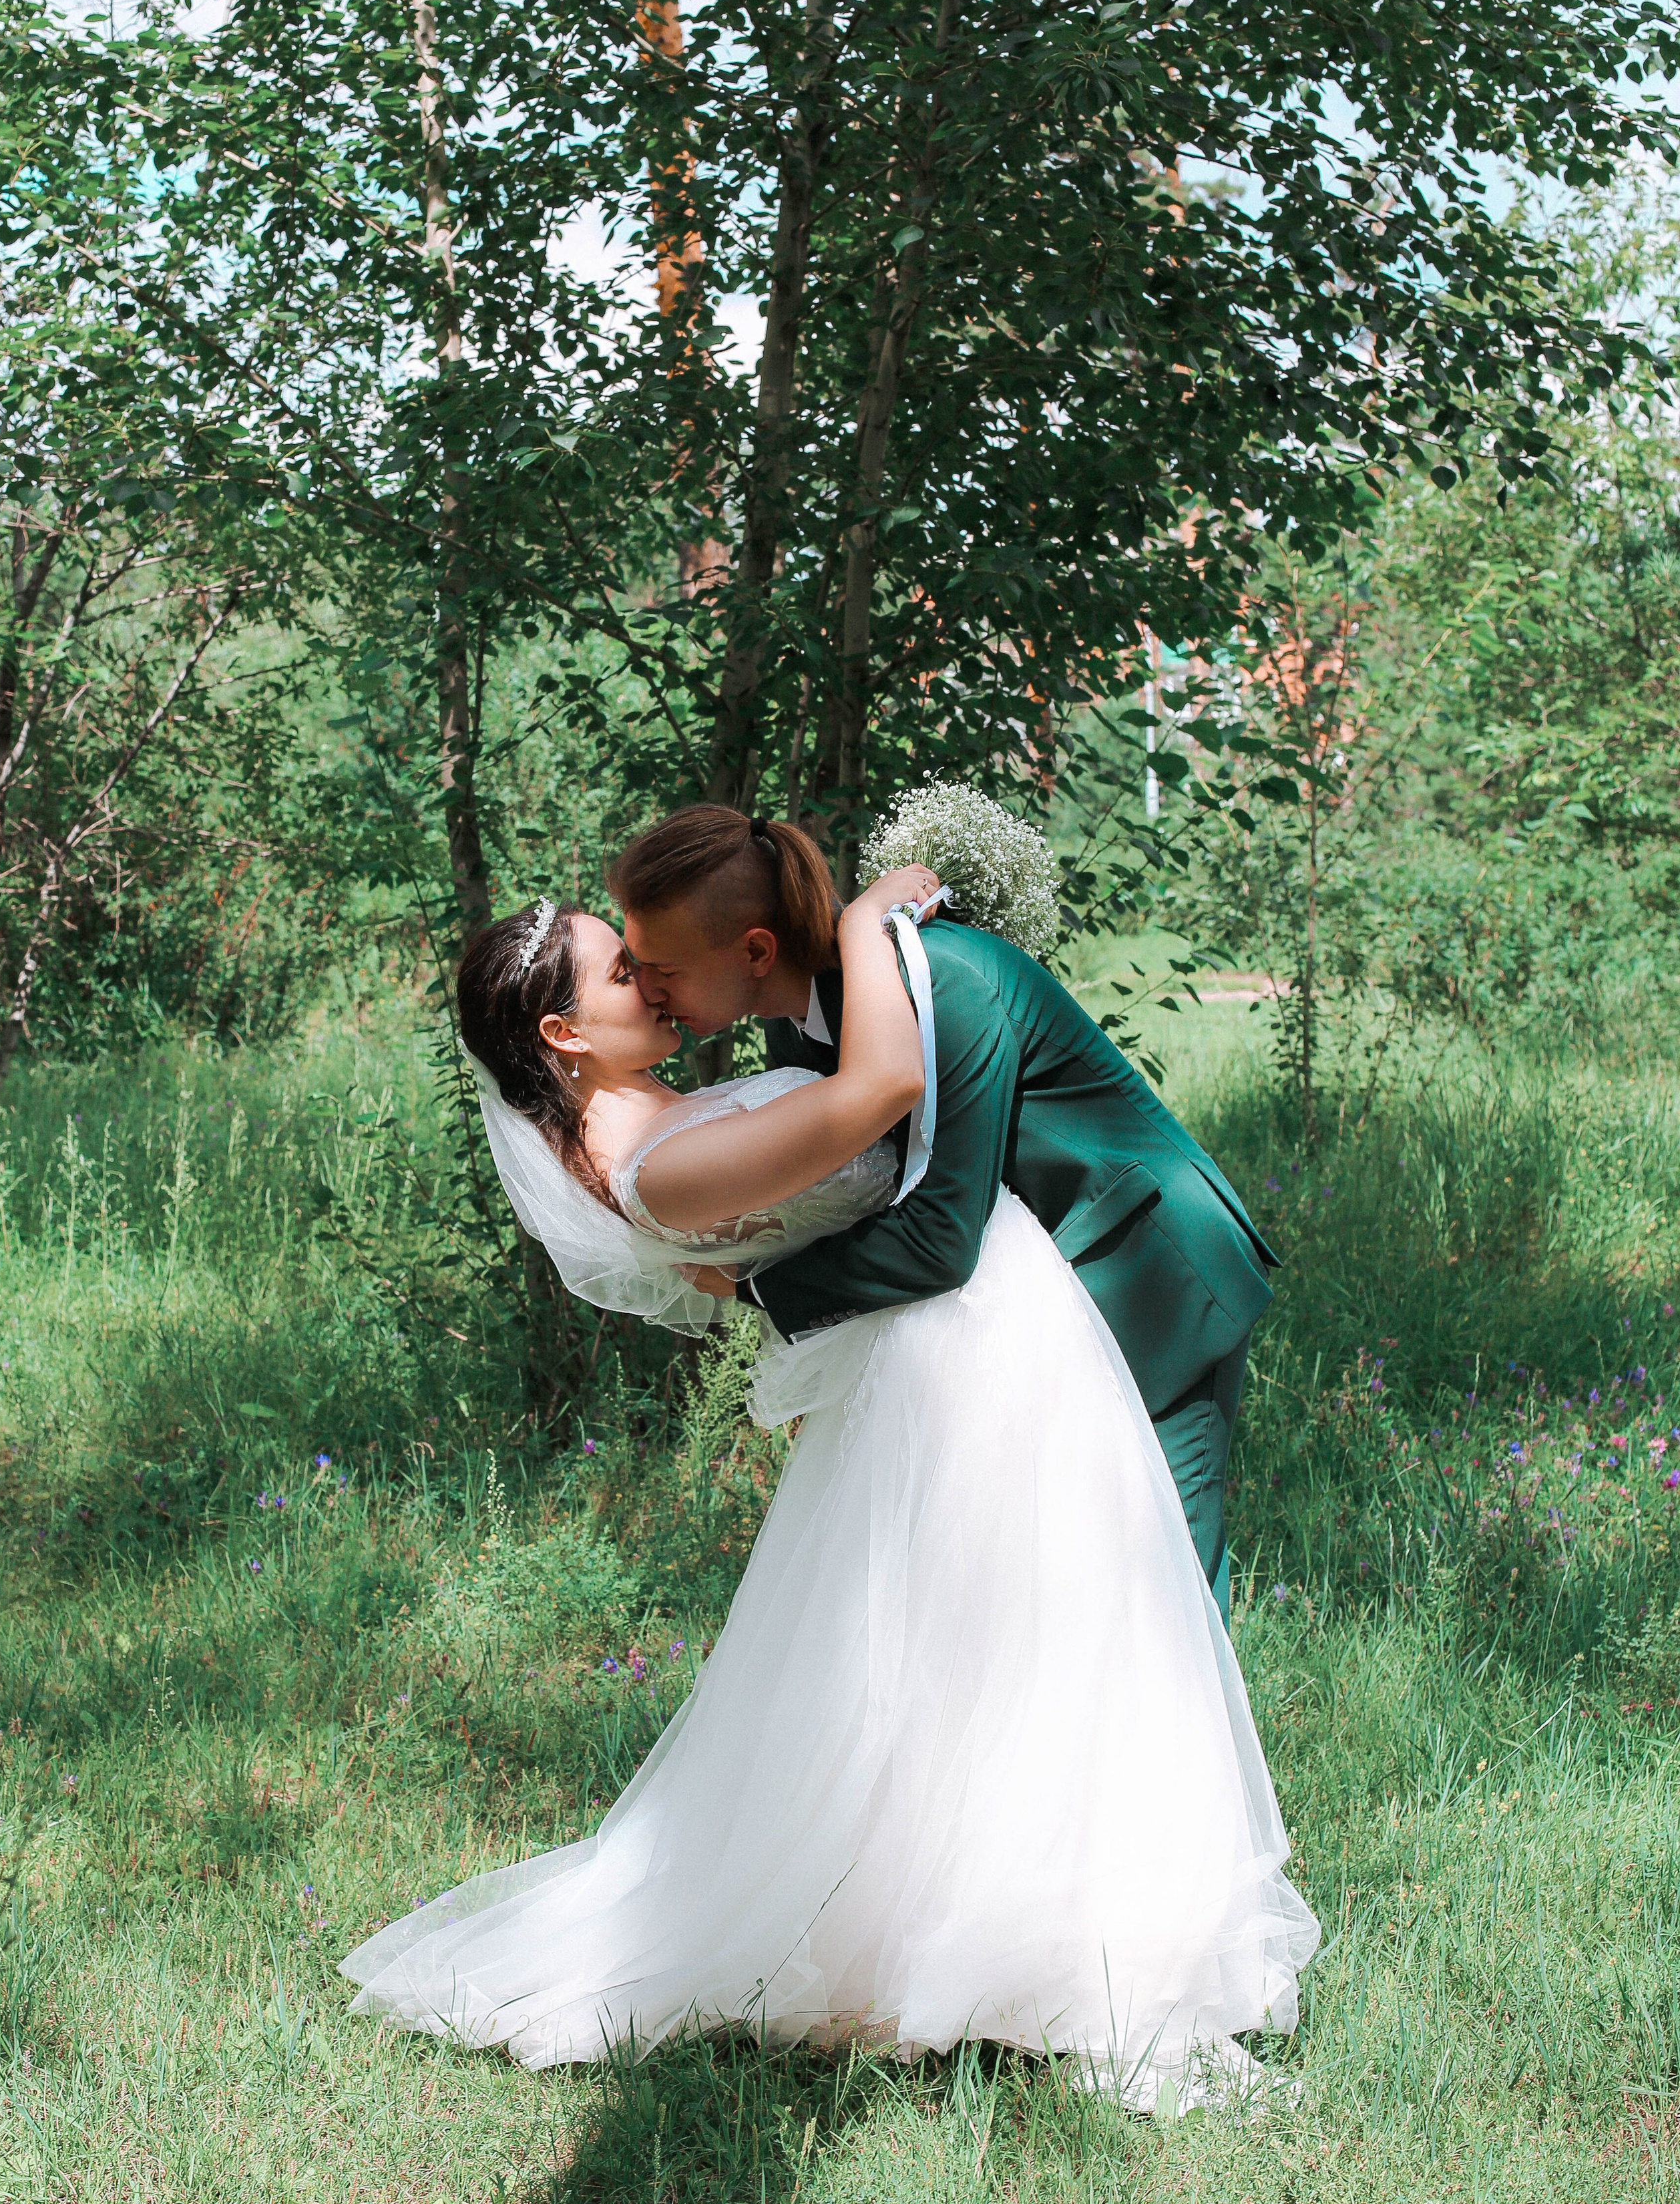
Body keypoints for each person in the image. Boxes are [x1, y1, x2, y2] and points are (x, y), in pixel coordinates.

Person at [340, 850, 1317, 2105]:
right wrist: (864, 923)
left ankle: (1081, 1916)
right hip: (968, 1342)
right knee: (1072, 1637)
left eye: (649, 958)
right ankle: (1075, 1940)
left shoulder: (657, 1112)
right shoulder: (653, 1157)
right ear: (565, 1034)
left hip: (984, 1340)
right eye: (622, 970)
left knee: (1043, 1646)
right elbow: (884, 1093)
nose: (649, 979)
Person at [614, 807, 1275, 1623]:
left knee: (1159, 1579)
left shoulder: (943, 985)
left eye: (661, 969)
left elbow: (938, 1238)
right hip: (1034, 1302)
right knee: (1053, 1580)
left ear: (755, 951)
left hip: (1148, 1272)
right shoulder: (799, 1031)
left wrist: (754, 1285)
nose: (646, 991)